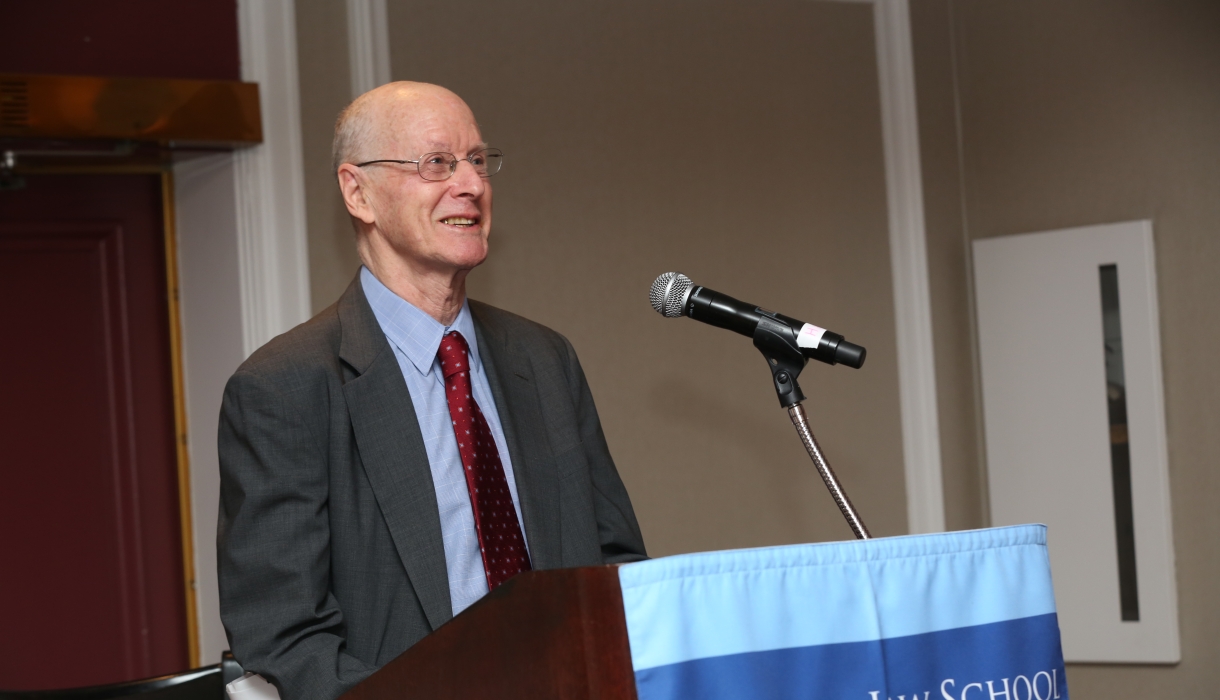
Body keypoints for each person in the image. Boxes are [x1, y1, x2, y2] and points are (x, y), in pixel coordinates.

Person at [216, 82, 647, 700]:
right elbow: (284, 637)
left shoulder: (544, 360)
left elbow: (616, 564)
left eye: (478, 160)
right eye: (437, 163)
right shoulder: (284, 388)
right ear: (357, 192)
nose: (470, 184)